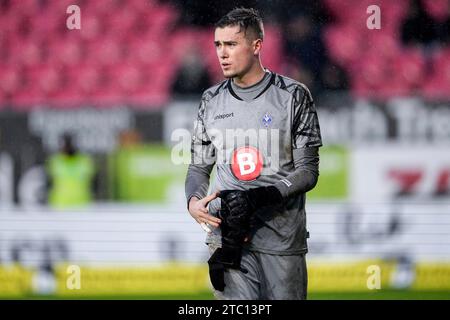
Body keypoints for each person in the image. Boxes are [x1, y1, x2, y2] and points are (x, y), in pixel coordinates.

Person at [185, 8, 322, 300]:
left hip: (282, 240)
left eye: (231, 44)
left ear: (257, 45)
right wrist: (193, 202)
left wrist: (259, 197)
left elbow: (308, 172)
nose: (222, 53)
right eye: (218, 45)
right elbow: (198, 168)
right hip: (229, 239)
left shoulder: (294, 96)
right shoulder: (210, 100)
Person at [47, 133, 95, 209]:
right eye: (64, 146)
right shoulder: (55, 161)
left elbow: (94, 183)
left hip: (82, 205)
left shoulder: (84, 161)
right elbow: (49, 183)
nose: (66, 148)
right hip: (60, 205)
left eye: (68, 145)